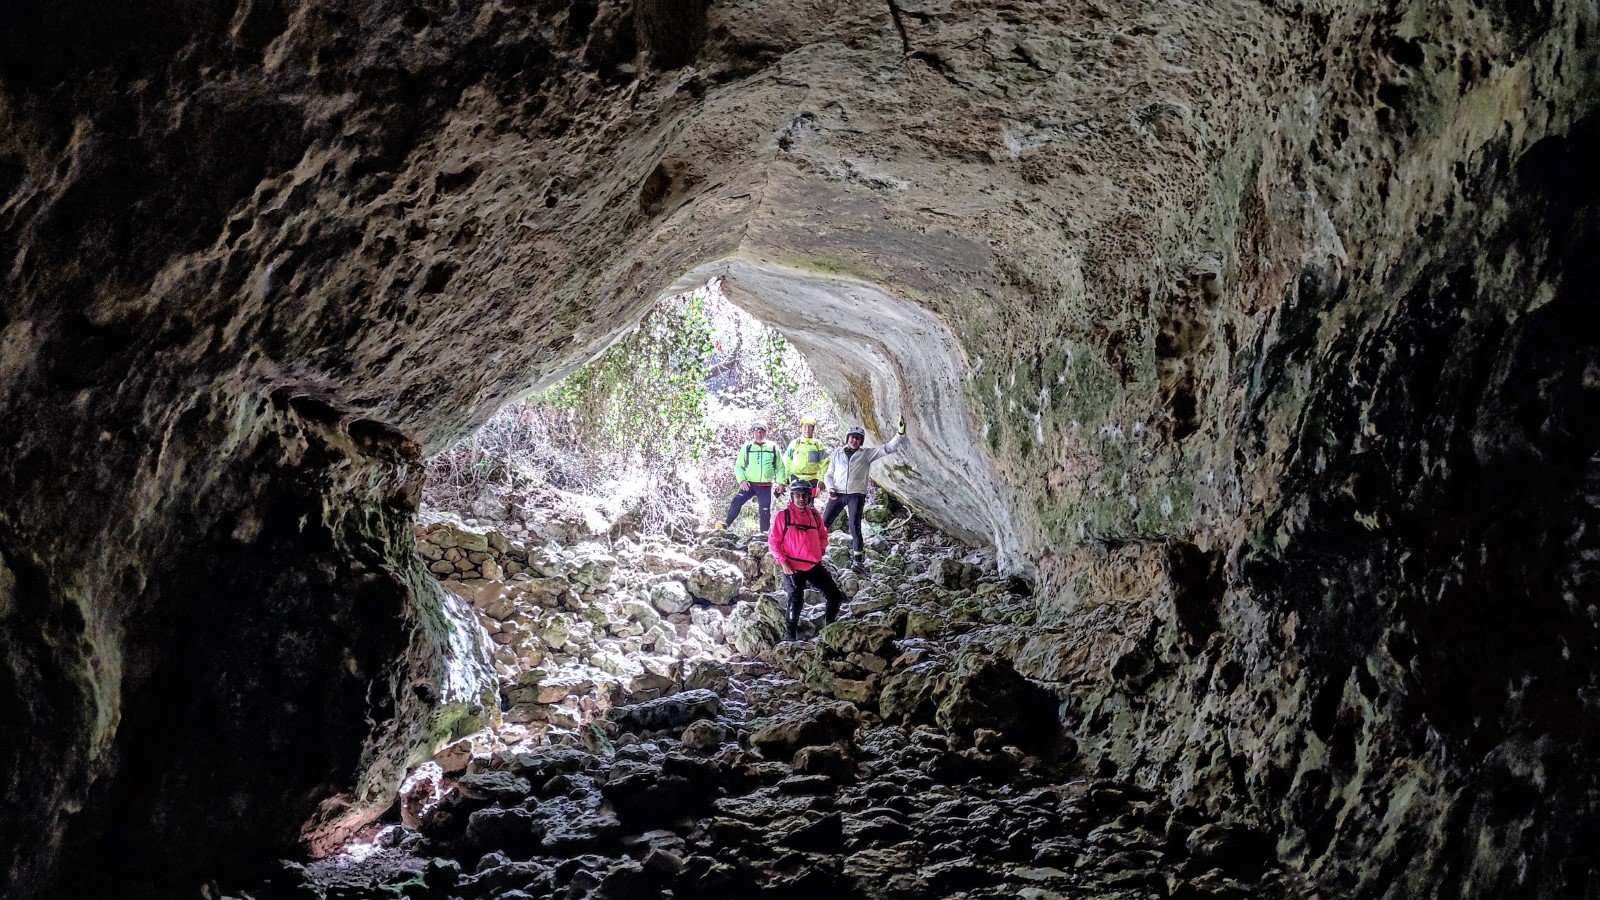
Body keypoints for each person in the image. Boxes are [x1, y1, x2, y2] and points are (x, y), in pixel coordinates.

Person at [769, 479, 849, 641]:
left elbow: (822, 536)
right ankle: (790, 636)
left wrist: (819, 550)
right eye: (797, 495)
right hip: (792, 566)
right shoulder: (783, 516)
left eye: (804, 495)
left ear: (809, 497)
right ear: (792, 497)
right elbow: (773, 542)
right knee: (796, 600)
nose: (801, 498)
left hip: (813, 566)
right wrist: (783, 562)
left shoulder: (814, 514)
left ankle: (830, 627)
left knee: (835, 595)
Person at [823, 418, 906, 570]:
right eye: (852, 437)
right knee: (823, 525)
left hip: (856, 494)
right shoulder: (837, 453)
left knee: (854, 526)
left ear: (861, 441)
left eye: (858, 438)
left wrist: (900, 434)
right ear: (847, 438)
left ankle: (858, 561)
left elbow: (887, 448)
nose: (854, 440)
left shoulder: (866, 454)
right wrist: (830, 488)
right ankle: (816, 555)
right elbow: (828, 475)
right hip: (837, 493)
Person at [719, 421, 786, 532]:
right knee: (737, 501)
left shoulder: (773, 448)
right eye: (757, 432)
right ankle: (726, 525)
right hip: (749, 484)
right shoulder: (747, 448)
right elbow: (739, 466)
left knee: (764, 511)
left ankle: (763, 535)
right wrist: (742, 480)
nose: (759, 434)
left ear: (766, 433)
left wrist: (781, 483)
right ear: (752, 433)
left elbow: (780, 467)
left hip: (765, 486)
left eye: (762, 432)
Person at [785, 416, 829, 493]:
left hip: (813, 479)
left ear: (813, 429)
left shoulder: (818, 445)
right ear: (800, 428)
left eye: (810, 427)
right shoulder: (795, 443)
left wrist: (822, 480)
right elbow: (786, 461)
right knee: (795, 502)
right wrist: (785, 478)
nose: (807, 429)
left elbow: (825, 463)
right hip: (796, 478)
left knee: (810, 503)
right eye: (805, 427)